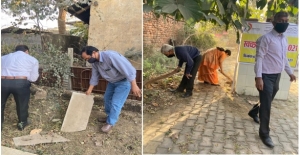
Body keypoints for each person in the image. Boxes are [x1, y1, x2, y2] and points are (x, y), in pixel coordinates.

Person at [248, 11, 296, 148]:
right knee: (267, 105)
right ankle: (264, 133)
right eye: (281, 21)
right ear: (274, 23)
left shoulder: (284, 39)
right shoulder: (266, 39)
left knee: (267, 98)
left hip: (277, 75)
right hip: (266, 75)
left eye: (286, 20)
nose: (284, 23)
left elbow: (284, 58)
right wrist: (258, 77)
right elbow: (259, 58)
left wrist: (290, 73)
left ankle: (254, 111)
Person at [81, 46, 141, 133]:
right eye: (86, 59)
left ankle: (110, 123)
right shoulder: (95, 63)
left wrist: (134, 85)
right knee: (106, 99)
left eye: (88, 58)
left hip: (123, 82)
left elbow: (128, 69)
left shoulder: (110, 56)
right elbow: (95, 76)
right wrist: (89, 90)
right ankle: (110, 116)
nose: (87, 61)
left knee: (116, 103)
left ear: (94, 52)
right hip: (112, 83)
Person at [1, 45, 39, 131]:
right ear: (26, 51)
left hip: (3, 82)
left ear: (15, 51)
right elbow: (33, 78)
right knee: (22, 104)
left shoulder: (3, 58)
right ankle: (22, 124)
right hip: (21, 83)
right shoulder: (32, 59)